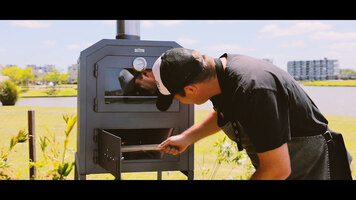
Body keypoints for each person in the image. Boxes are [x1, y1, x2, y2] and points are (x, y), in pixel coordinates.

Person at [137, 48, 352, 180]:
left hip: (313, 168)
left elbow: (277, 170)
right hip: (287, 168)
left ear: (192, 89)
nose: (178, 102)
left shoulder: (254, 89)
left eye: (176, 97)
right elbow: (225, 112)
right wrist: (187, 137)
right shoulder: (220, 75)